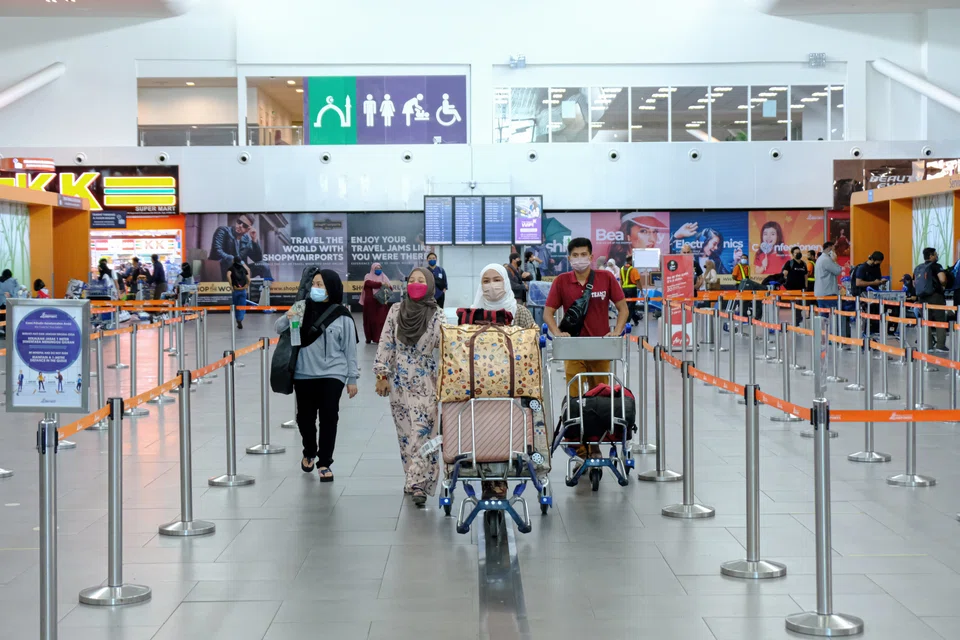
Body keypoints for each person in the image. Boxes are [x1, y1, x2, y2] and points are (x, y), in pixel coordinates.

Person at [276, 269, 359, 481]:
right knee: (305, 418)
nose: (316, 288)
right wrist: (289, 317)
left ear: (331, 288)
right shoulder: (301, 307)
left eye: (321, 284)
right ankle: (309, 450)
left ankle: (324, 462)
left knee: (329, 417)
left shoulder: (342, 315)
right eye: (314, 283)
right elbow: (278, 327)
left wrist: (352, 378)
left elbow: (350, 349)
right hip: (303, 373)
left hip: (333, 373)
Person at [374, 268, 445, 506]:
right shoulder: (396, 311)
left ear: (430, 285)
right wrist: (381, 374)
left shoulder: (437, 315)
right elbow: (386, 343)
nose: (415, 283)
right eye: (412, 280)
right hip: (398, 382)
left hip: (426, 380)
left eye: (421, 280)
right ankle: (411, 476)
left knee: (423, 432)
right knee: (405, 434)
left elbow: (447, 349)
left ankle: (420, 484)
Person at [471, 264, 538, 501]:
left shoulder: (519, 312)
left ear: (506, 283)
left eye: (496, 279)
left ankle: (499, 481)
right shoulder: (472, 313)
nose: (491, 285)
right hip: (480, 388)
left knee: (507, 432)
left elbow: (533, 340)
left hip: (514, 385)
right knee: (484, 432)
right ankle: (490, 481)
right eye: (486, 280)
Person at [544, 237, 628, 393]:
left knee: (601, 394)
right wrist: (557, 333)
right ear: (569, 258)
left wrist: (616, 332)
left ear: (591, 257)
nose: (579, 259)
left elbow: (623, 308)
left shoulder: (606, 278)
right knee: (574, 395)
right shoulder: (561, 281)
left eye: (583, 254)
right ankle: (575, 417)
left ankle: (599, 418)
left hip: (600, 345)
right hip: (573, 346)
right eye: (575, 255)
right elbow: (548, 312)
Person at [210, 214, 273, 282]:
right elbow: (217, 250)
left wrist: (254, 240)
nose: (240, 226)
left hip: (240, 271)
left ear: (248, 229)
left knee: (264, 265)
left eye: (244, 225)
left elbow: (258, 259)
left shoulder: (246, 239)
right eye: (239, 222)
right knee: (230, 258)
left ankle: (268, 290)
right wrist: (234, 260)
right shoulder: (223, 231)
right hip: (222, 268)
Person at [914, 247, 949, 352]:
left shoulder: (918, 268)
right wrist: (943, 286)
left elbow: (914, 283)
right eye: (935, 254)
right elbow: (942, 279)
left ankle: (928, 345)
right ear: (931, 256)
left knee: (926, 321)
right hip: (935, 296)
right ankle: (940, 345)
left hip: (922, 298)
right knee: (940, 320)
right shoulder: (936, 266)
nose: (936, 256)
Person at [851, 251, 886, 334]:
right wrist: (873, 283)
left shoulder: (877, 268)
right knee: (867, 313)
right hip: (863, 294)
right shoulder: (862, 268)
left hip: (874, 293)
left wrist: (880, 282)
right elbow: (858, 283)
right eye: (877, 262)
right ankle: (865, 332)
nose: (878, 264)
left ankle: (875, 330)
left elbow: (877, 279)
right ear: (873, 260)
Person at [360, 262, 391, 344]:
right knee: (369, 321)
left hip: (380, 303)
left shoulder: (384, 276)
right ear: (372, 269)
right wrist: (381, 283)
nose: (378, 270)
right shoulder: (368, 276)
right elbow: (368, 283)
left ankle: (378, 338)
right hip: (370, 304)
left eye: (380, 268)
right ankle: (369, 338)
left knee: (380, 321)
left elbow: (390, 287)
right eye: (376, 269)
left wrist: (386, 285)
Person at [782, 247, 809, 323]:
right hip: (792, 289)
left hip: (801, 289)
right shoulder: (790, 263)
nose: (798, 254)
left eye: (799, 252)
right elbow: (784, 273)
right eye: (796, 253)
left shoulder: (803, 264)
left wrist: (806, 286)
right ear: (793, 254)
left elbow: (805, 275)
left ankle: (798, 319)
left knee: (800, 305)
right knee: (795, 305)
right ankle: (797, 320)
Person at [227, 256, 251, 330]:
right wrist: (246, 286)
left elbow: (228, 275)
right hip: (243, 290)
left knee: (236, 306)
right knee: (242, 306)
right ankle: (240, 319)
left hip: (235, 290)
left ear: (233, 261)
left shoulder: (231, 268)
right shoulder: (244, 268)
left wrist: (230, 285)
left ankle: (237, 319)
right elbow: (249, 280)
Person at [620, 255, 642, 322]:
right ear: (630, 261)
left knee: (627, 306)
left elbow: (621, 280)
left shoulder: (622, 269)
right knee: (631, 306)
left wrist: (621, 289)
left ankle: (635, 319)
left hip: (624, 289)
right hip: (632, 289)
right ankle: (627, 321)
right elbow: (637, 280)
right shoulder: (633, 269)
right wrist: (641, 290)